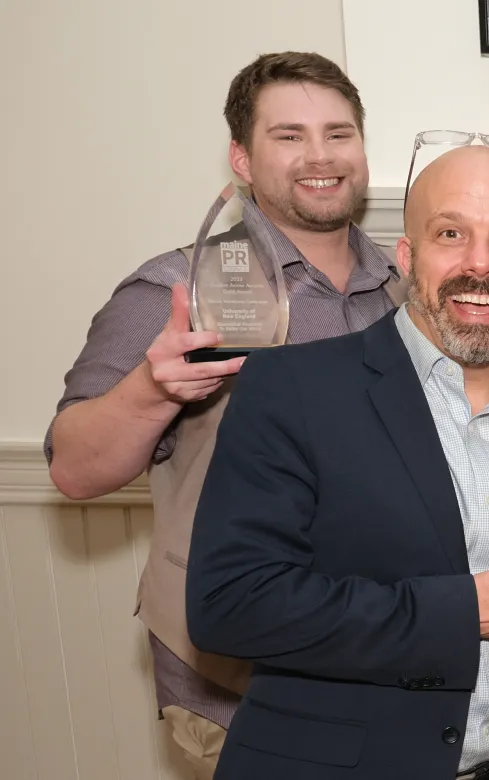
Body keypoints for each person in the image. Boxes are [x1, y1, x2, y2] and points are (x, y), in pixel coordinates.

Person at [185, 145, 489, 780]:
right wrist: (461, 613)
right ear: (407, 255)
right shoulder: (293, 388)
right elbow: (229, 605)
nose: (481, 263)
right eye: (451, 234)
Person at [43, 52, 397, 778]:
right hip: (237, 682)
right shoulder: (177, 288)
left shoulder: (404, 289)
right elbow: (74, 469)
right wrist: (153, 388)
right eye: (289, 136)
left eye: (338, 134)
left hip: (383, 665)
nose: (321, 157)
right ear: (241, 158)